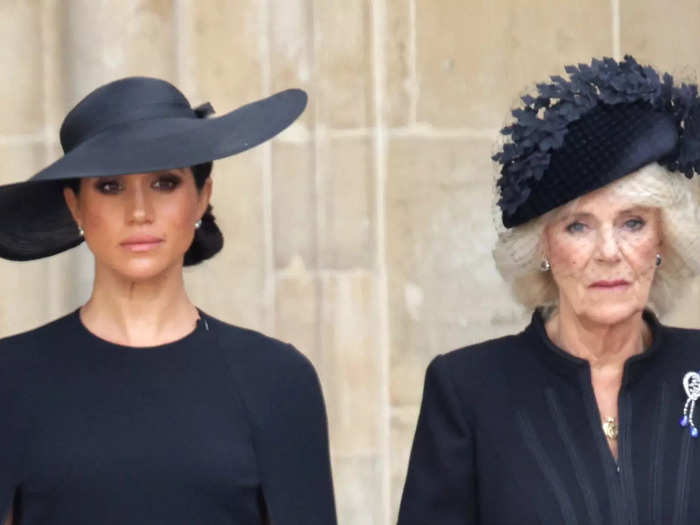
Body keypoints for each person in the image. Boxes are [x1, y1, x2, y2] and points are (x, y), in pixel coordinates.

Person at [0, 77, 336, 525]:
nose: (139, 211)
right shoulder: (11, 378)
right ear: (75, 206)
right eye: (110, 186)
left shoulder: (275, 379)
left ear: (202, 199)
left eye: (163, 182)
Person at [398, 56, 700, 524]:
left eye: (633, 223)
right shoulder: (468, 391)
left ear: (663, 239)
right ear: (543, 248)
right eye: (578, 227)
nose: (608, 252)